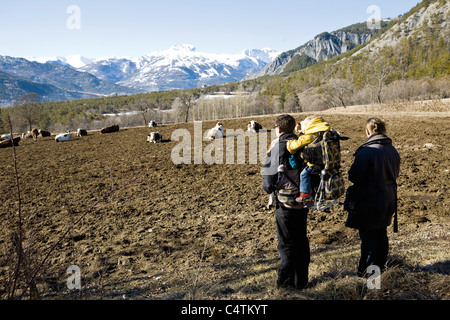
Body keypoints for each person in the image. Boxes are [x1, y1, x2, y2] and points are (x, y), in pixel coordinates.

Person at [344, 117, 400, 276]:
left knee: (368, 239)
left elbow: (354, 176)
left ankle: (367, 276)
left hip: (370, 199)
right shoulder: (392, 149)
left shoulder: (367, 151)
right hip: (388, 197)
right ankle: (380, 270)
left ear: (368, 131)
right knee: (381, 234)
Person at [262, 114, 310, 290]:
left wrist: (271, 190)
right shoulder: (303, 144)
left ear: (279, 129)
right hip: (304, 201)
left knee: (287, 243)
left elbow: (268, 183)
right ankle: (301, 282)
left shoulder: (277, 147)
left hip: (285, 203)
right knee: (301, 240)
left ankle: (285, 284)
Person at [286, 116, 331, 202]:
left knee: (304, 174)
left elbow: (293, 147)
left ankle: (305, 193)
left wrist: (289, 143)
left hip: (314, 164)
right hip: (326, 162)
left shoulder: (309, 136)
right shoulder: (324, 133)